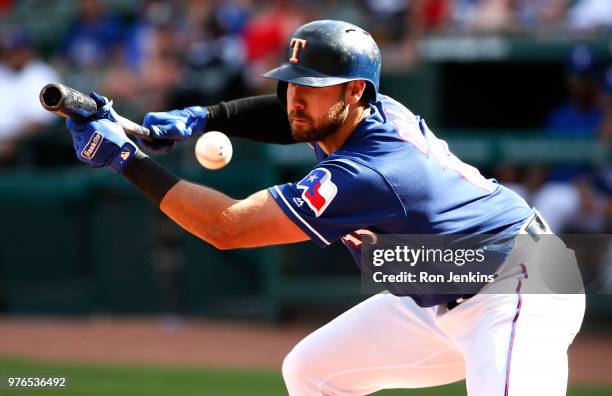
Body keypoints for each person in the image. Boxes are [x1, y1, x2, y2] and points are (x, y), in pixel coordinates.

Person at [64, 20, 584, 396]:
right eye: (292, 82)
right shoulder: (366, 109)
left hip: (522, 287)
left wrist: (125, 159)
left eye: (312, 86)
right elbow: (289, 115)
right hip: (445, 285)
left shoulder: (369, 171)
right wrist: (198, 117)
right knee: (313, 371)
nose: (296, 97)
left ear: (356, 91)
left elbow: (227, 228)